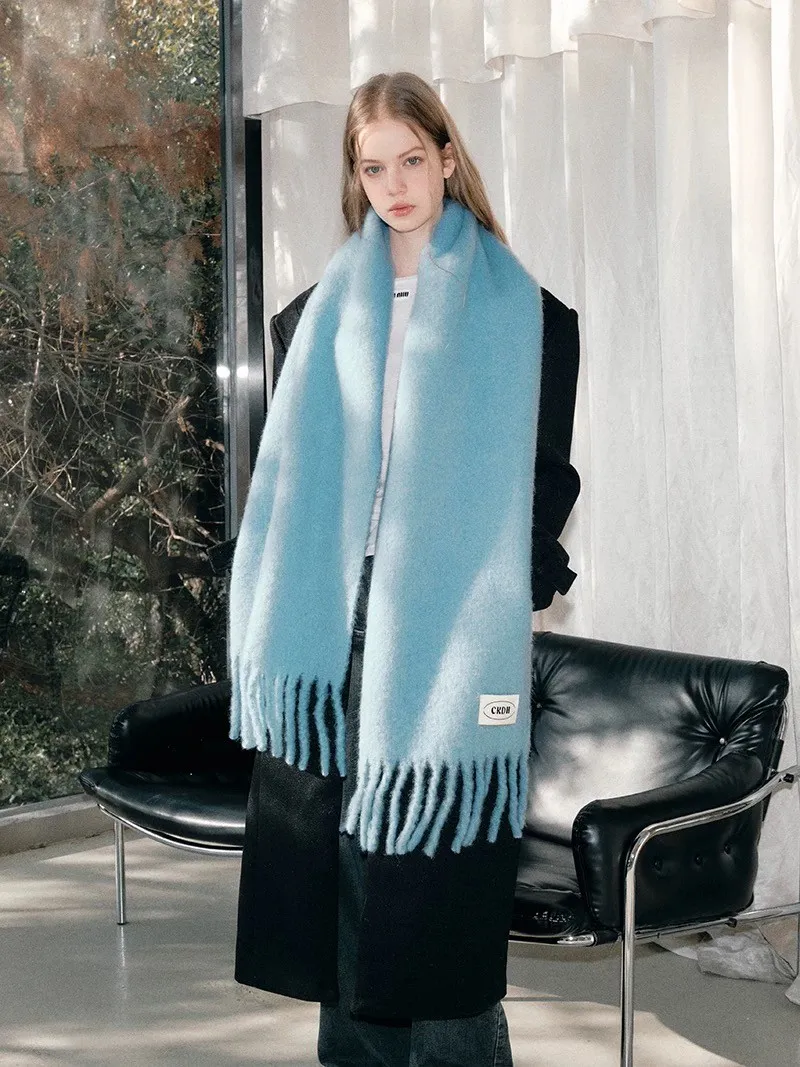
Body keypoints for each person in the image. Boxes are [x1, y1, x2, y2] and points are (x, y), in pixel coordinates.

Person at [228, 71, 581, 1067]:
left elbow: (545, 479)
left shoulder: (531, 316)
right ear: (355, 174)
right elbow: (286, 486)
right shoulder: (309, 319)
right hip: (329, 623)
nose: (393, 185)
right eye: (372, 166)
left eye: (411, 160)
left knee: (438, 882)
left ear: (447, 159)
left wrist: (506, 587)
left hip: (450, 627)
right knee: (345, 877)